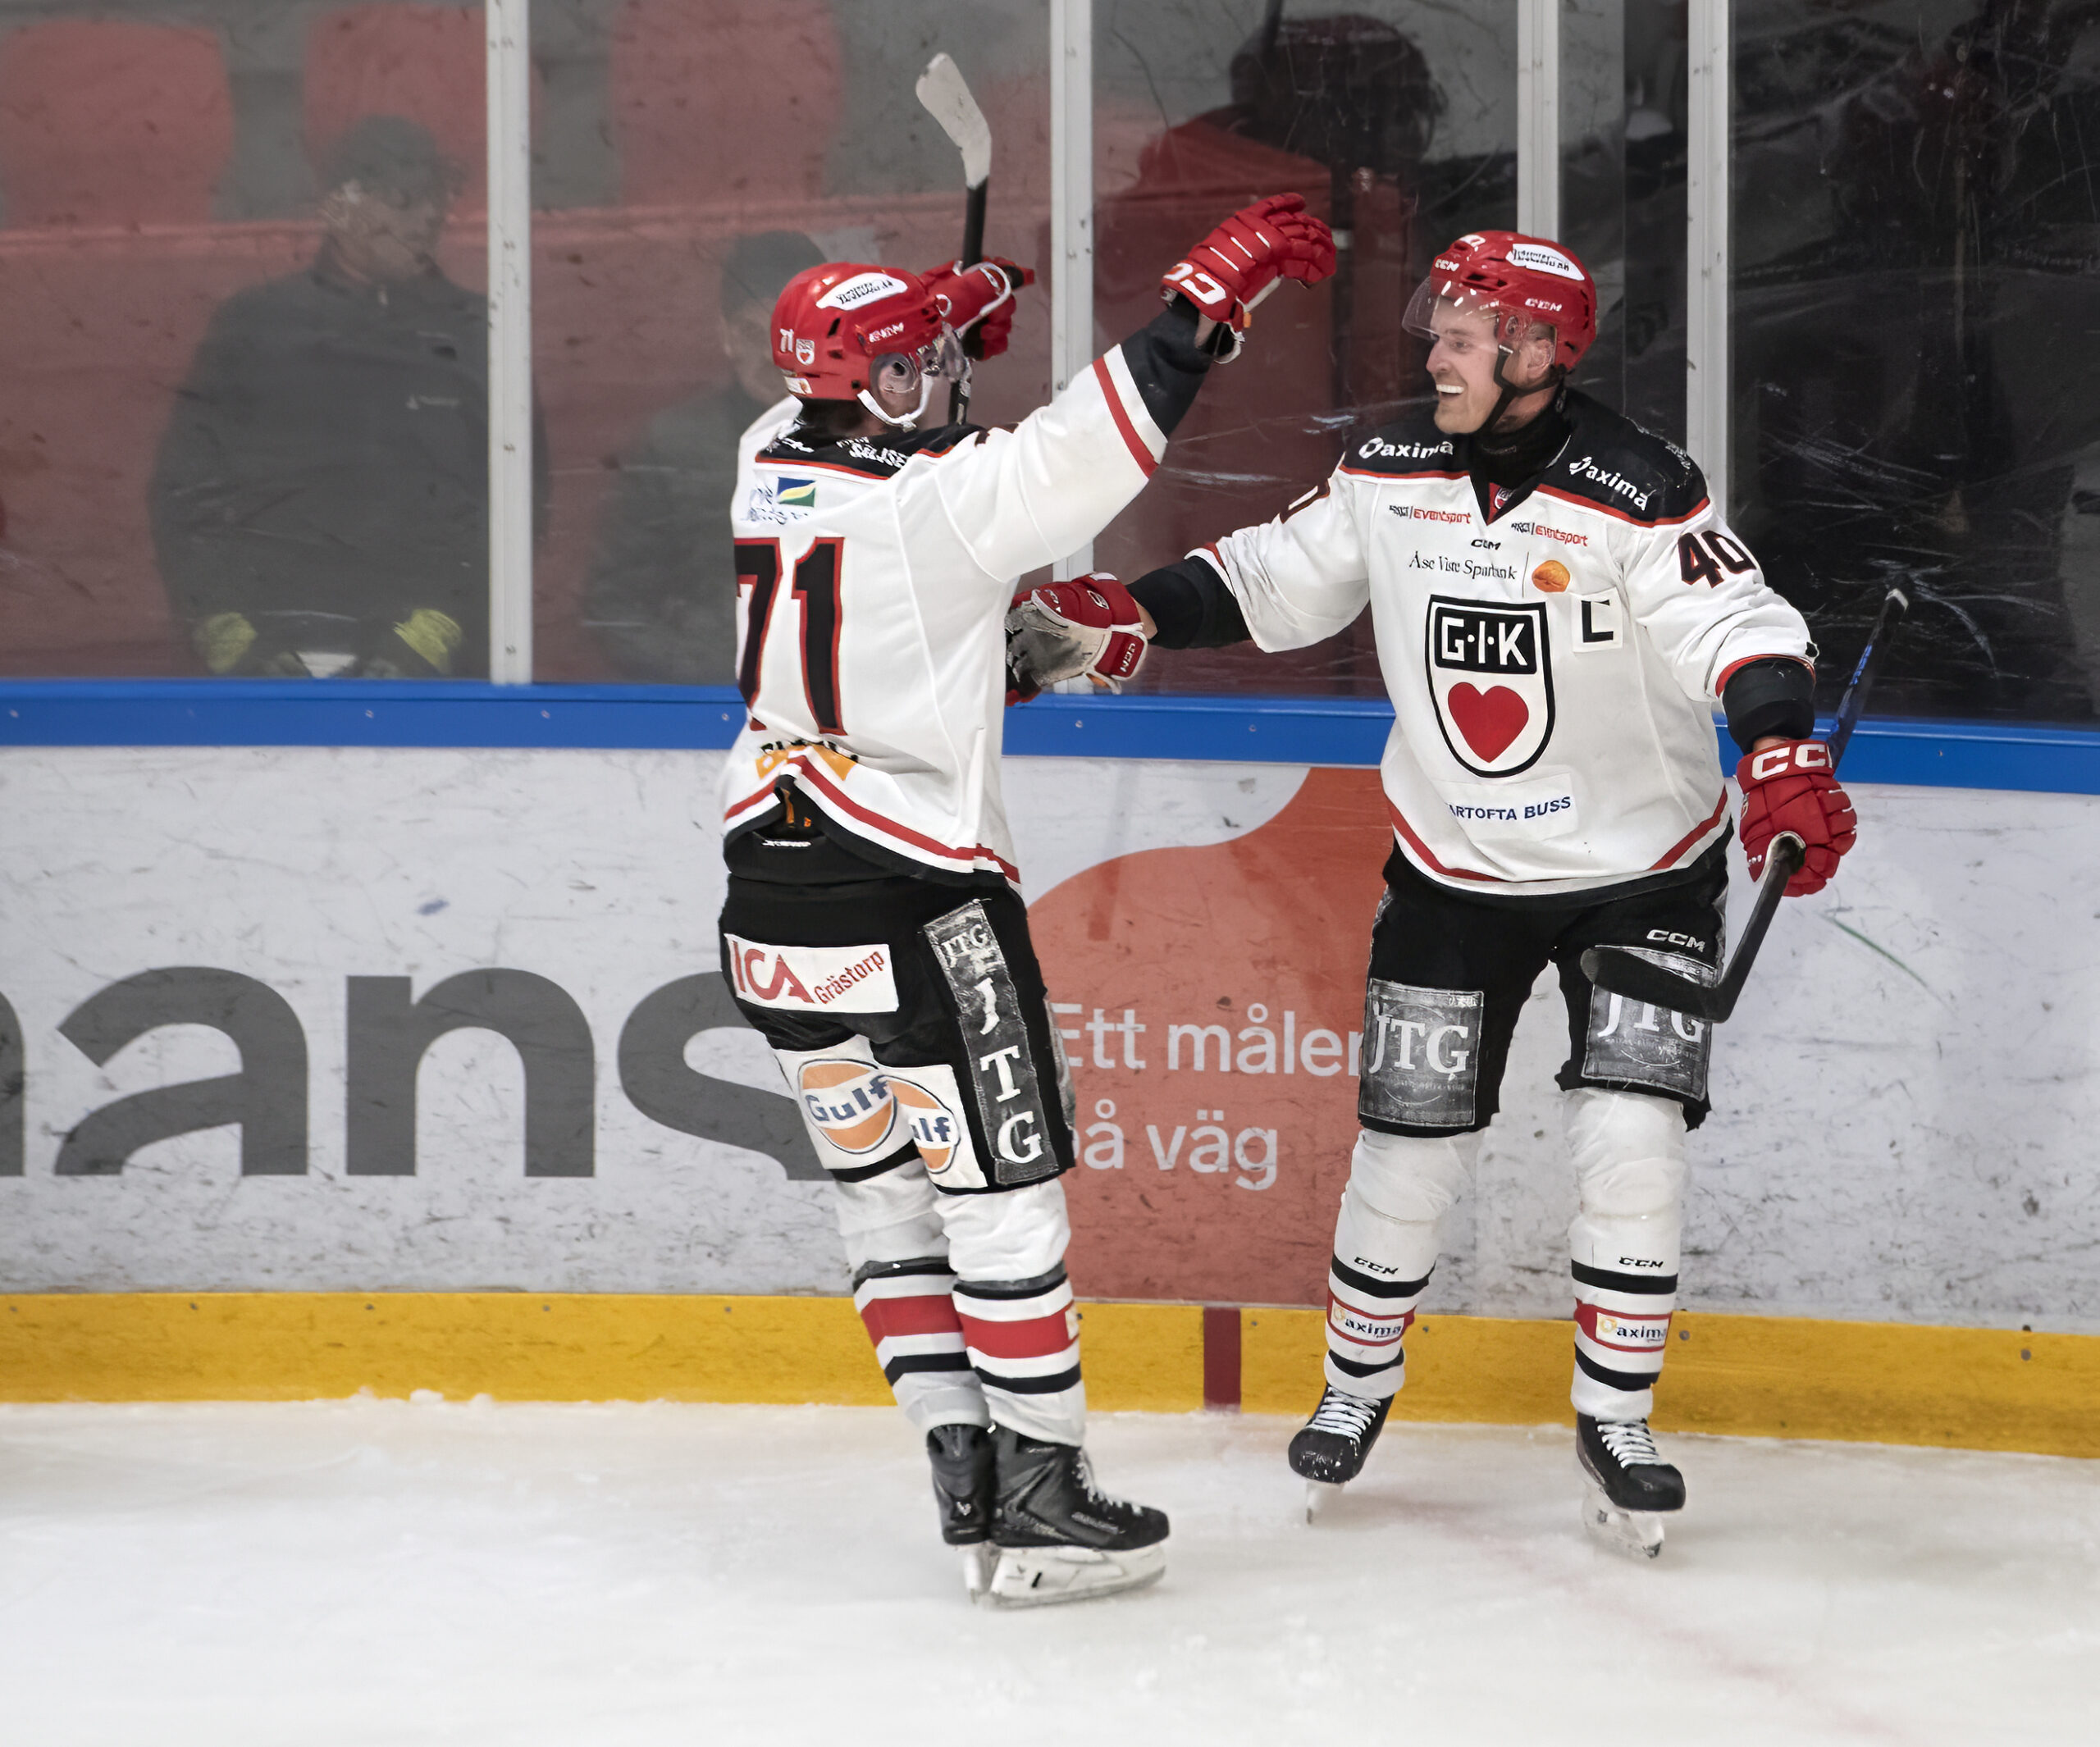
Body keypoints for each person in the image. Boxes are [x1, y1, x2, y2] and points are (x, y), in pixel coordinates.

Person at [1088, 231, 1856, 1557]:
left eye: (1460, 335)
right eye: (1436, 331)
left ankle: (1616, 1421)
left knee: (1633, 1139)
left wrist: (1779, 745)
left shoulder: (1642, 486)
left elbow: (1736, 627)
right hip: (1452, 874)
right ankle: (1354, 1386)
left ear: (1541, 349)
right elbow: (1266, 578)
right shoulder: (1389, 468)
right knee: (1408, 1142)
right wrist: (1140, 610)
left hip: (1643, 876)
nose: (1432, 354)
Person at [719, 198, 1335, 1603]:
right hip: (916, 895)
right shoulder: (948, 499)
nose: (944, 382)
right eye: (920, 367)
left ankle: (958, 1456)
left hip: (768, 898)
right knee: (1000, 1202)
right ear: (876, 385)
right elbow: (1090, 444)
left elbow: (924, 614)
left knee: (881, 1196)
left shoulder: (763, 454)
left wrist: (950, 303)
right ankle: (1044, 1486)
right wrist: (1202, 309)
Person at [150, 115, 546, 679]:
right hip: (266, 667)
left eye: (437, 198)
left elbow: (516, 502)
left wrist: (427, 641)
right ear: (341, 207)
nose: (429, 217)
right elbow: (187, 492)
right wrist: (239, 645)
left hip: (432, 675)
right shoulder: (255, 325)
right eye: (404, 199)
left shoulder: (479, 331)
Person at [582, 230, 823, 682]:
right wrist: (702, 673)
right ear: (725, 336)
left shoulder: (871, 446)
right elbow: (614, 604)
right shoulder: (675, 445)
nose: (770, 355)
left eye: (789, 335)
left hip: (835, 706)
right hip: (704, 702)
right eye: (751, 332)